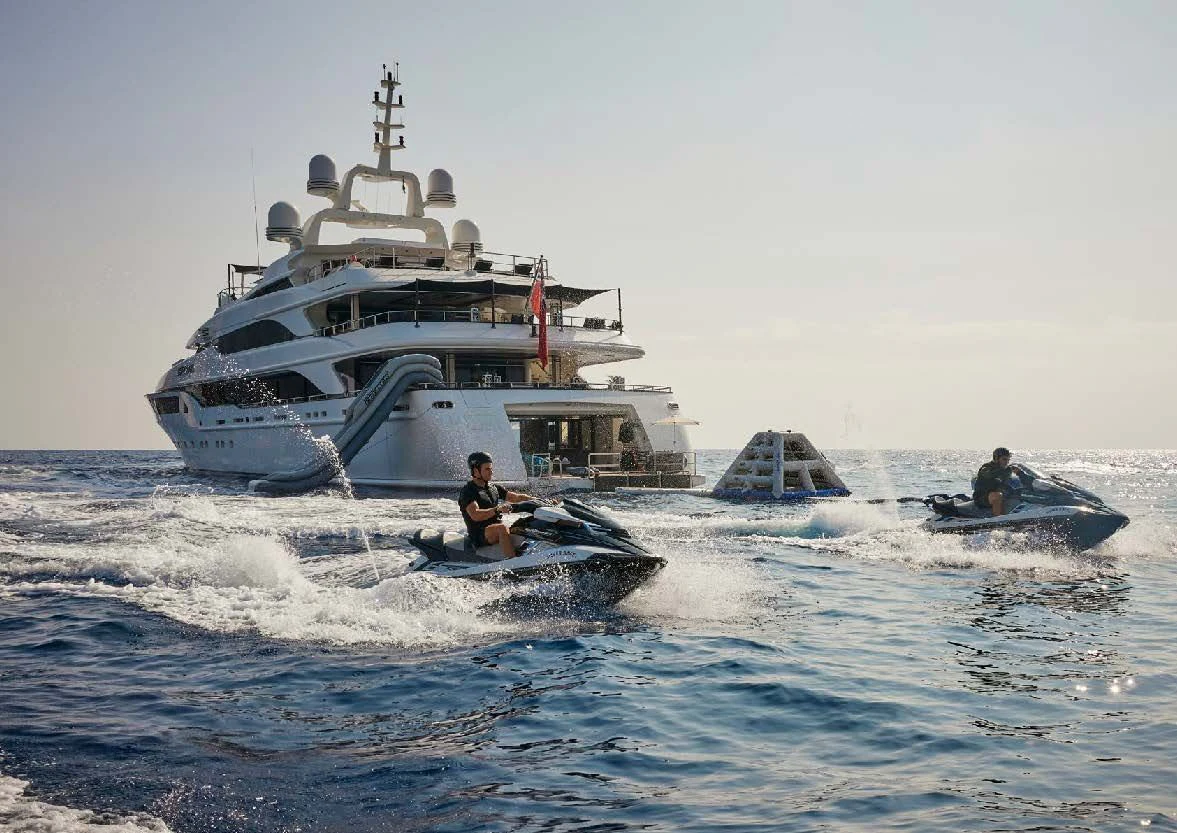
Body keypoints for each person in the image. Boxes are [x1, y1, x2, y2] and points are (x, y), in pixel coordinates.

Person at [458, 452, 536, 559]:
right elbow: (475, 515)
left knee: (522, 525)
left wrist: (539, 500)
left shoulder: (493, 488)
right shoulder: (468, 491)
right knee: (502, 528)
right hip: (479, 535)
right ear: (476, 471)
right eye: (487, 469)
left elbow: (515, 497)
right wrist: (497, 509)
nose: (491, 472)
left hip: (493, 530)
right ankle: (512, 562)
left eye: (491, 468)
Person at [973, 447, 1017, 516]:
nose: (1007, 462)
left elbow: (1006, 482)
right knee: (997, 495)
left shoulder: (1007, 470)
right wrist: (1003, 470)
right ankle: (999, 520)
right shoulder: (986, 467)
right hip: (981, 497)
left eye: (1008, 459)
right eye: (1004, 459)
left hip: (998, 494)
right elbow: (989, 474)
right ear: (996, 459)